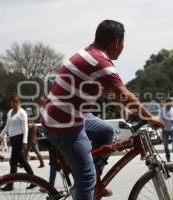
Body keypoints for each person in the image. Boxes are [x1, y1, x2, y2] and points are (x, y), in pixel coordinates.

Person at [40, 19, 163, 200]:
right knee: (86, 177)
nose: (123, 47)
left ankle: (92, 184)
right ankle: (87, 183)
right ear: (116, 42)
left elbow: (107, 91)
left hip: (65, 114)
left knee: (106, 131)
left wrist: (122, 108)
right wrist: (150, 116)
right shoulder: (101, 63)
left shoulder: (90, 54)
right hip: (63, 124)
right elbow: (124, 93)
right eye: (123, 43)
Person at [0, 94, 35, 191]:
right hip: (13, 139)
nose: (15, 104)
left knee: (13, 162)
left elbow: (25, 128)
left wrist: (24, 142)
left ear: (19, 102)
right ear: (10, 103)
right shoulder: (10, 112)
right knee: (22, 161)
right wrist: (0, 136)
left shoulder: (22, 113)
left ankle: (10, 185)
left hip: (20, 139)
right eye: (13, 102)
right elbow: (7, 126)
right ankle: (34, 180)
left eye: (17, 102)